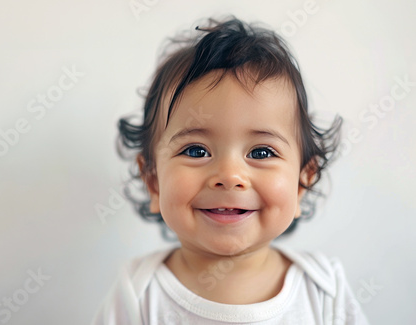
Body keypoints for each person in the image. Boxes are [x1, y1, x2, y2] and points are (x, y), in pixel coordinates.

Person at [92, 16, 369, 324]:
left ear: (302, 183)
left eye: (261, 152)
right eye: (196, 151)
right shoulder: (138, 293)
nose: (229, 175)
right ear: (153, 181)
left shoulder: (324, 289)